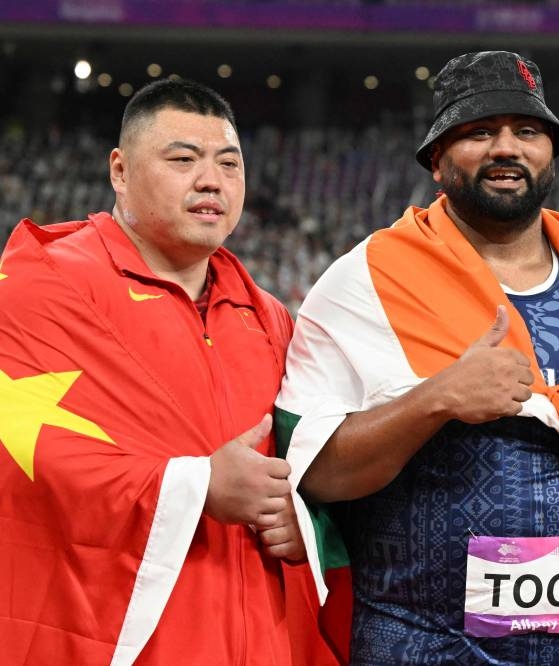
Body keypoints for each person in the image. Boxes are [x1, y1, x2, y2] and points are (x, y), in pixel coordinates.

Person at [275, 50, 559, 665]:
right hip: (424, 641)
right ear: (437, 160)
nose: (506, 148)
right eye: (479, 132)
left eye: (527, 131)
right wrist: (435, 399)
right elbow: (317, 473)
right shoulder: (366, 285)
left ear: (550, 154)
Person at [0, 79, 337, 665]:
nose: (212, 180)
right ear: (121, 171)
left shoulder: (269, 316)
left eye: (229, 164)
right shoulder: (43, 286)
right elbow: (23, 452)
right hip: (112, 632)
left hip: (255, 632)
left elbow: (307, 456)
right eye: (183, 159)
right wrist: (196, 485)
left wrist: (298, 516)